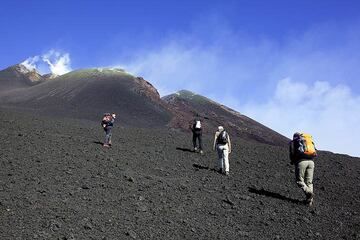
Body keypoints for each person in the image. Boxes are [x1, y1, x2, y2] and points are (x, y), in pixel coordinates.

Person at [289, 132, 316, 206]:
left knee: (299, 181)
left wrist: (293, 161)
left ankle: (309, 193)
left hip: (301, 162)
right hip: (311, 162)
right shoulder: (308, 141)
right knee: (309, 182)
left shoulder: (294, 142)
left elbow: (292, 152)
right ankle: (309, 202)